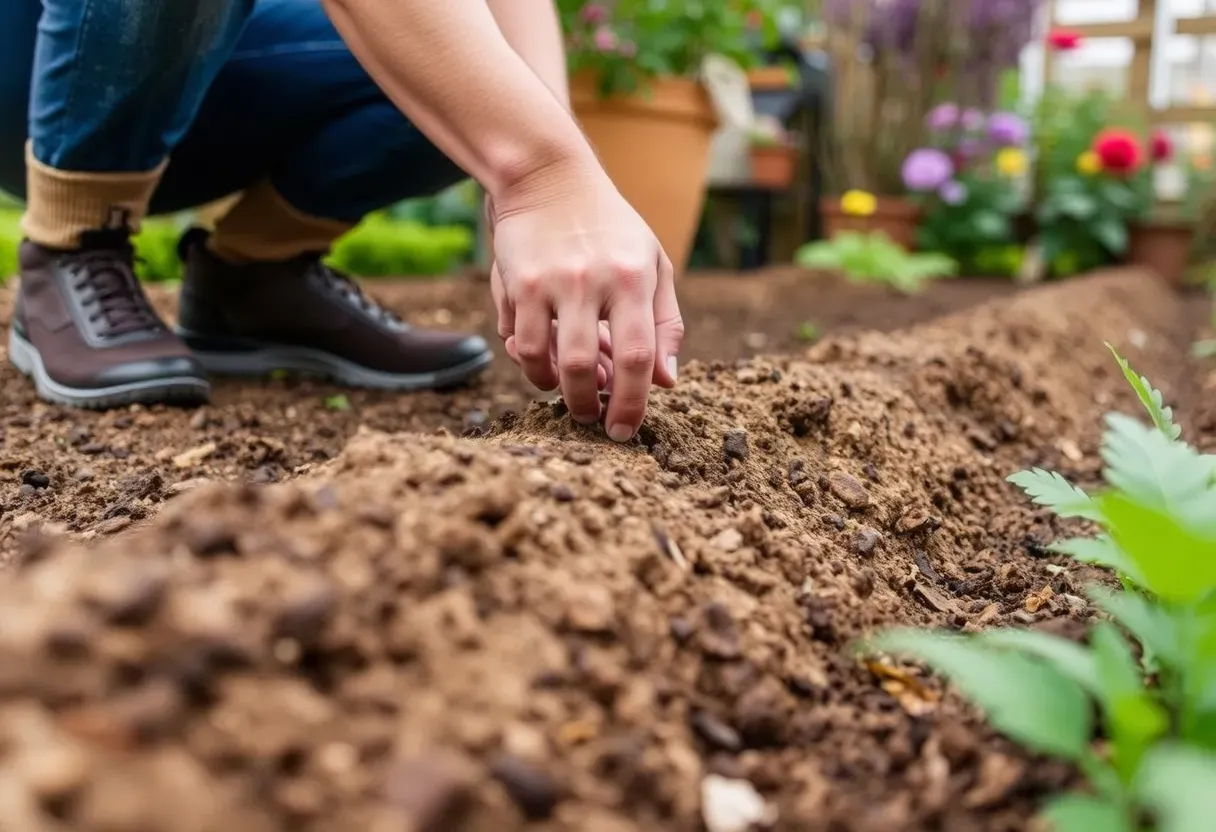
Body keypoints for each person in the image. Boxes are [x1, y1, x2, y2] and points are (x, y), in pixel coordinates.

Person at [0, 0, 683, 444]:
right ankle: (72, 239)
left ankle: (253, 281)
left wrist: (552, 186)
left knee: (479, 69)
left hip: (200, 67)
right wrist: (540, 175)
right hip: (38, 67)